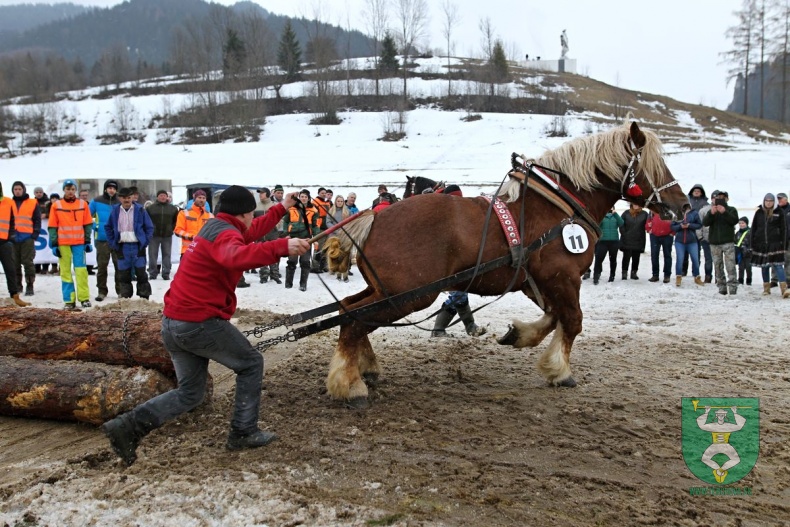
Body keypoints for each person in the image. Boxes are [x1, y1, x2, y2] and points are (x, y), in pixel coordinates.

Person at [100, 186, 309, 466]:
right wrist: (281, 247)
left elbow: (252, 231)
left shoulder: (216, 226)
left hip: (173, 322)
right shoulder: (226, 235)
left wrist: (281, 207)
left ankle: (126, 426)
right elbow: (235, 256)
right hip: (198, 322)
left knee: (191, 393)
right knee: (250, 363)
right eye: (250, 215)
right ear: (244, 213)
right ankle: (243, 432)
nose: (252, 220)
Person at [48, 179, 94, 309]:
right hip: (63, 244)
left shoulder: (83, 204)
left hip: (79, 243)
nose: (70, 192)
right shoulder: (56, 205)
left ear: (75, 190)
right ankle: (69, 300)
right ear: (64, 190)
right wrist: (54, 243)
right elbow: (52, 226)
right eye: (68, 189)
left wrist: (87, 241)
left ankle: (84, 298)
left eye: (72, 189)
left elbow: (87, 224)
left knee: (81, 271)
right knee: (66, 272)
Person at [105, 187, 154, 299]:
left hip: (138, 246)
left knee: (141, 273)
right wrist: (113, 243)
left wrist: (145, 241)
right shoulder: (115, 211)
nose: (126, 200)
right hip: (122, 247)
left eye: (128, 197)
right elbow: (108, 227)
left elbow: (149, 227)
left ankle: (144, 297)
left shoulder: (141, 210)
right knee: (123, 274)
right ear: (119, 198)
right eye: (124, 198)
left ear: (132, 197)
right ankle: (126, 297)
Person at [751, 193, 789, 298]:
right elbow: (754, 228)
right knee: (764, 266)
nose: (768, 203)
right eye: (766, 201)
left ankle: (784, 289)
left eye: (771, 201)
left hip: (775, 244)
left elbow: (784, 229)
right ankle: (766, 289)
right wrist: (752, 243)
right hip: (761, 244)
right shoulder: (759, 212)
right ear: (764, 201)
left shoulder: (779, 212)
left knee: (778, 266)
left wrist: (784, 244)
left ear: (774, 202)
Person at [0, 182, 31, 307]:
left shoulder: (8, 202)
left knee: (10, 270)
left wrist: (10, 238)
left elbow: (13, 221)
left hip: (5, 242)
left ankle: (15, 296)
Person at [89, 180, 120, 301]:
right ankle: (102, 291)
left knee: (119, 267)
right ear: (105, 189)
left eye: (114, 188)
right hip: (102, 239)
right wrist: (95, 227)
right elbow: (87, 216)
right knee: (102, 267)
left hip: (117, 240)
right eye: (109, 188)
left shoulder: (120, 202)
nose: (111, 190)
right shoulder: (96, 201)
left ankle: (120, 291)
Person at [703, 190, 739, 295]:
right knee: (717, 266)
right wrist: (712, 214)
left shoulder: (731, 210)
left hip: (727, 242)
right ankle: (721, 287)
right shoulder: (711, 211)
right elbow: (705, 223)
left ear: (727, 199)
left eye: (723, 198)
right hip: (714, 243)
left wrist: (724, 212)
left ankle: (732, 287)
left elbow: (734, 220)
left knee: (730, 265)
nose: (721, 200)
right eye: (718, 198)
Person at [10, 181, 41, 296]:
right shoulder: (9, 203)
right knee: (15, 263)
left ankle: (30, 285)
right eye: (15, 189)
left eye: (19, 189)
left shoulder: (32, 203)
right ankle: (18, 285)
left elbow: (37, 220)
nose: (17, 191)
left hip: (27, 237)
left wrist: (35, 234)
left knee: (28, 262)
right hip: (13, 237)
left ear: (23, 189)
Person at [283, 189, 318, 291]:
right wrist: (286, 233)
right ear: (299, 197)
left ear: (308, 198)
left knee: (305, 262)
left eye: (305, 197)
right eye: (302, 196)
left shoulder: (313, 210)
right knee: (292, 261)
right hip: (293, 237)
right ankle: (288, 284)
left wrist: (315, 237)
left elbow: (316, 225)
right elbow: (285, 222)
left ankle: (303, 284)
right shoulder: (291, 208)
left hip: (306, 238)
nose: (303, 198)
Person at [145, 190, 179, 281]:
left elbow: (176, 221)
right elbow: (146, 220)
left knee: (167, 254)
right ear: (157, 197)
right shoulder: (150, 208)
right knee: (152, 255)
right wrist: (150, 230)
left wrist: (171, 228)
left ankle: (166, 273)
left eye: (164, 195)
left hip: (167, 235)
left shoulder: (173, 209)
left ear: (167, 197)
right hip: (154, 235)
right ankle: (152, 273)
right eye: (161, 195)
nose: (163, 197)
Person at [672, 203, 704, 288]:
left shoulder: (694, 213)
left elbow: (699, 225)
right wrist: (680, 226)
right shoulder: (677, 213)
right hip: (679, 241)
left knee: (695, 259)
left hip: (692, 240)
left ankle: (697, 277)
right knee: (680, 259)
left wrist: (690, 225)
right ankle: (678, 277)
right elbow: (672, 226)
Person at [254, 187, 282, 284]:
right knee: (262, 255)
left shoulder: (274, 205)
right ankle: (264, 275)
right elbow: (252, 220)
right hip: (260, 235)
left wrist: (276, 226)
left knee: (273, 254)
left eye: (262, 193)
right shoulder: (256, 206)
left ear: (268, 194)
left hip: (272, 234)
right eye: (259, 193)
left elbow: (281, 218)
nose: (260, 195)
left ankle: (275, 275)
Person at [685, 184, 713, 282]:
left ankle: (701, 273)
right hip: (689, 229)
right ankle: (688, 271)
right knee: (689, 252)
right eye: (695, 190)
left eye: (699, 191)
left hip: (702, 230)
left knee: (702, 254)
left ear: (701, 192)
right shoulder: (687, 202)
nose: (696, 192)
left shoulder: (705, 203)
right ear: (692, 192)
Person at [175, 189, 213, 257]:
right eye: (199, 197)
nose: (201, 200)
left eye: (204, 198)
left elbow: (213, 233)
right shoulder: (184, 213)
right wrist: (192, 236)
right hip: (188, 250)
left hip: (205, 251)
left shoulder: (210, 215)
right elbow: (178, 231)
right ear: (194, 198)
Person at [592, 206, 623, 284]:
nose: (610, 209)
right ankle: (596, 276)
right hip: (602, 241)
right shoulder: (602, 216)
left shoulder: (615, 216)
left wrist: (615, 214)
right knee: (599, 259)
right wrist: (602, 213)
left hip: (614, 241)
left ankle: (612, 276)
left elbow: (621, 223)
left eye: (611, 208)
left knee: (613, 260)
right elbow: (597, 224)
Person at [619, 203, 647, 280]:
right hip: (627, 238)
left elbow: (647, 225)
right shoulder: (626, 213)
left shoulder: (644, 214)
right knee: (626, 257)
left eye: (637, 204)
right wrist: (624, 233)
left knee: (636, 257)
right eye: (634, 203)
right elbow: (621, 224)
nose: (635, 205)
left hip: (638, 239)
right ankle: (624, 272)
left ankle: (634, 272)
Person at [645, 211, 673, 283]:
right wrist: (648, 229)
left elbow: (675, 221)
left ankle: (667, 275)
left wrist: (673, 232)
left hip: (667, 235)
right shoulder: (652, 211)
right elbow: (648, 221)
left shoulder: (669, 210)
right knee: (654, 255)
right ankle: (655, 275)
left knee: (667, 255)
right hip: (654, 236)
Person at [311, 187, 331, 273]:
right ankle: (315, 266)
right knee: (318, 247)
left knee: (325, 247)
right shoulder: (315, 202)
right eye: (322, 193)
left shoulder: (328, 203)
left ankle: (323, 265)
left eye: (325, 193)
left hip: (327, 227)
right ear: (318, 193)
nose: (323, 194)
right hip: (319, 227)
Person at [774, 192, 790, 287]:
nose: (779, 200)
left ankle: (788, 280)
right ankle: (774, 279)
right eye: (778, 199)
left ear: (786, 199)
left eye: (781, 199)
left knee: (788, 260)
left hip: (788, 239)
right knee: (775, 259)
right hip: (777, 239)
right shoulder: (775, 210)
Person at [734, 216, 752, 286]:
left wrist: (749, 249)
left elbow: (752, 242)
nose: (741, 224)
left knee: (748, 267)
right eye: (740, 223)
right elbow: (735, 241)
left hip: (748, 253)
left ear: (746, 223)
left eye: (743, 223)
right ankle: (740, 280)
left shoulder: (750, 232)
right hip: (740, 253)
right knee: (740, 267)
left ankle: (749, 280)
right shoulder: (738, 233)